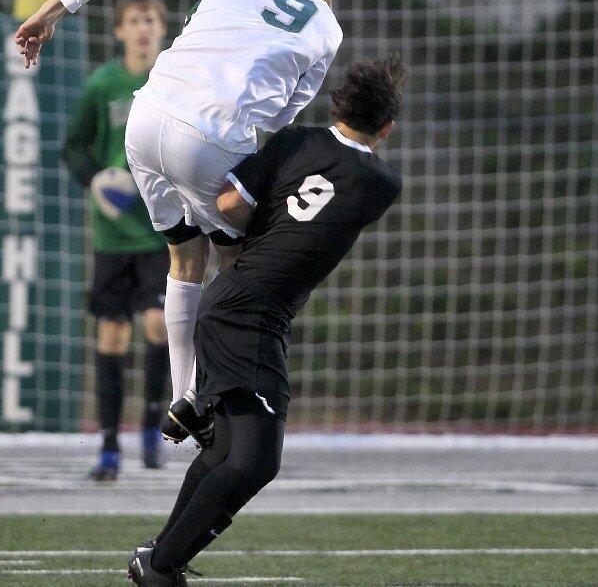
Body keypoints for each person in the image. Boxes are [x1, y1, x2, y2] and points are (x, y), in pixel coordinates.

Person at [13, 0, 342, 446]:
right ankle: (226, 393)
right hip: (212, 140)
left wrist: (51, 10)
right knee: (239, 267)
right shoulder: (327, 28)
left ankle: (182, 397)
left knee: (183, 262)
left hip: (145, 121)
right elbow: (283, 117)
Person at [127, 56, 404, 585]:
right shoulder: (382, 184)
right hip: (251, 317)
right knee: (255, 462)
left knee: (226, 452)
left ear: (336, 105)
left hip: (229, 301)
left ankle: (164, 552)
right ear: (388, 128)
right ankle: (160, 566)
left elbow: (229, 202)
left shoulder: (295, 140)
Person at [61, 0, 171, 480]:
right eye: (133, 20)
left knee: (159, 325)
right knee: (111, 335)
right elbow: (74, 148)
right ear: (119, 31)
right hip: (113, 235)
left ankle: (152, 427)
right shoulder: (102, 85)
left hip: (161, 229)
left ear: (163, 29)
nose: (143, 27)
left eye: (150, 18)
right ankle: (108, 447)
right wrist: (97, 181)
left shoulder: (173, 82)